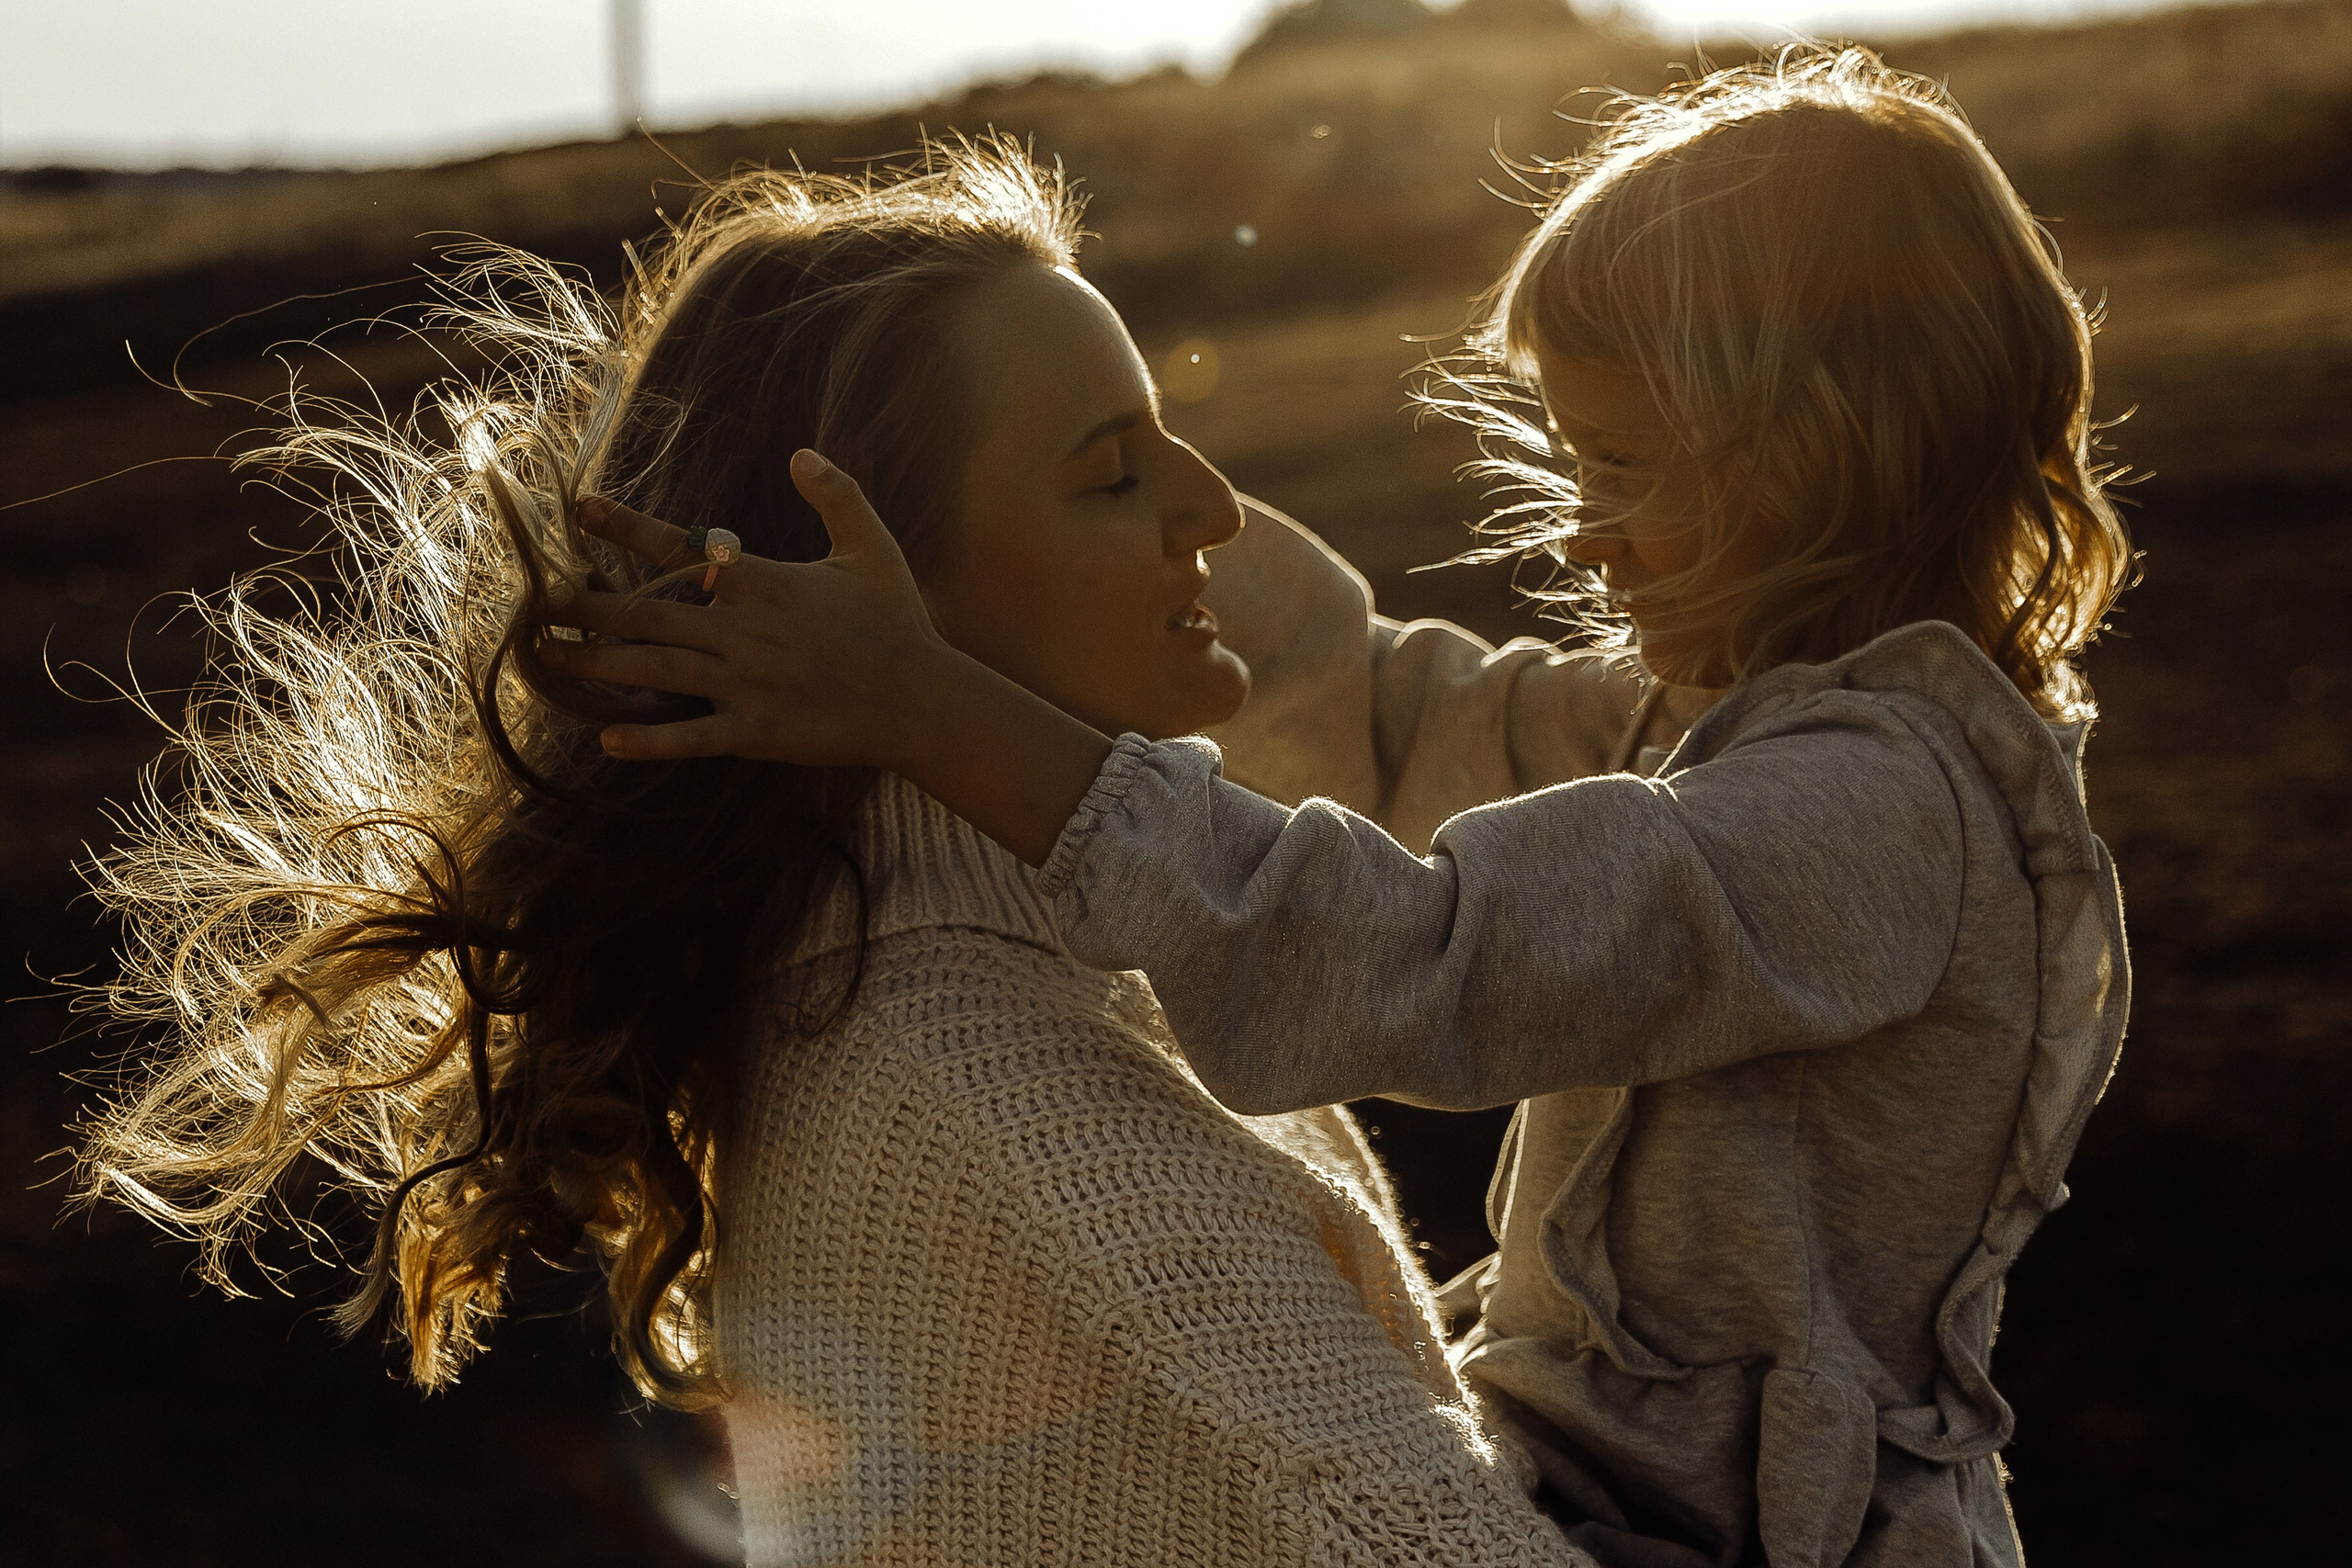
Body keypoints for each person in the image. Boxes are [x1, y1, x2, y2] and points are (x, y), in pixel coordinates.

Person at [557, 51, 2136, 1568]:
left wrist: (942, 701)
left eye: (1625, 465)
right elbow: (1390, 717)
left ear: (1825, 453)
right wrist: (1016, 451)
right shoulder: (1718, 730)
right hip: (1601, 1492)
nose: (1586, 540)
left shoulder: (1864, 818)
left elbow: (1427, 952)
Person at [72, 142, 1592, 1566]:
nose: (1213, 510)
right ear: (866, 603)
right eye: (1114, 471)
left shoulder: (981, 992)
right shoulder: (1000, 1087)